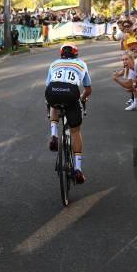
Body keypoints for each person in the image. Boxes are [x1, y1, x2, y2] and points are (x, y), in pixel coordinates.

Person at [45, 44, 92, 184]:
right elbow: (88, 89)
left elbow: (48, 84)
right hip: (71, 93)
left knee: (52, 103)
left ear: (61, 55)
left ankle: (54, 135)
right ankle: (78, 169)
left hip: (53, 90)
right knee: (76, 132)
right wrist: (82, 99)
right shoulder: (82, 64)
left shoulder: (54, 63)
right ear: (76, 54)